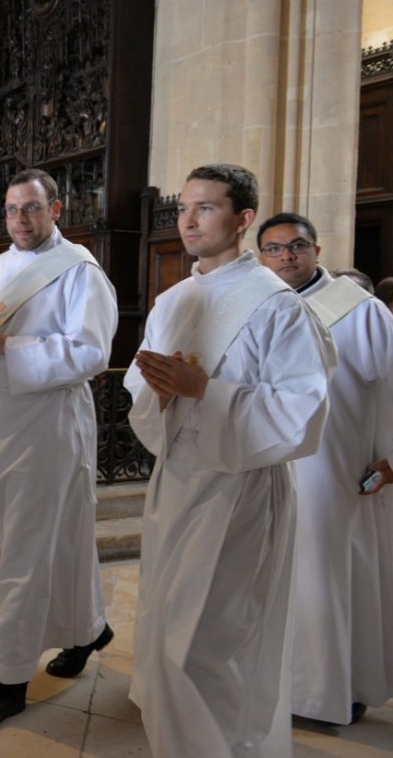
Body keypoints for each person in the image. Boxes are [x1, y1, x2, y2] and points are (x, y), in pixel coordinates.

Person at [125, 164, 334, 757]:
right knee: (166, 638)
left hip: (239, 491)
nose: (188, 221)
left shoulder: (277, 307)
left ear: (242, 219)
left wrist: (203, 390)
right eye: (183, 209)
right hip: (178, 483)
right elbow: (142, 396)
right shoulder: (174, 300)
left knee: (201, 648)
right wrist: (161, 395)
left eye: (205, 208)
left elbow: (301, 411)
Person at [0, 167, 118, 729]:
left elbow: (91, 352)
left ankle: (8, 679)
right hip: (2, 419)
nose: (19, 220)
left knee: (24, 549)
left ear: (56, 210)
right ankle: (90, 629)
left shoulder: (80, 272)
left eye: (30, 209)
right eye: (11, 209)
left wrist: (5, 346)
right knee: (60, 538)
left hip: (49, 422)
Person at [256, 212, 393, 726]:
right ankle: (279, 686)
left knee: (329, 577)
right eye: (274, 248)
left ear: (317, 250)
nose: (287, 256)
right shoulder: (259, 304)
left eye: (297, 245)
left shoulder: (358, 310)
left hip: (332, 470)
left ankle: (341, 689)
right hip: (268, 464)